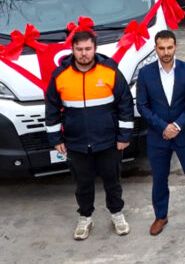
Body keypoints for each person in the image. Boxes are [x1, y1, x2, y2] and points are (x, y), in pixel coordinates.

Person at [45, 30, 134, 240]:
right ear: (72, 50)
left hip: (109, 142)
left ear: (95, 49)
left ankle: (117, 214)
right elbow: (51, 108)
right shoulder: (60, 76)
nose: (84, 54)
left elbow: (125, 104)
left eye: (87, 49)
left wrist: (124, 136)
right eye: (79, 49)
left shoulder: (110, 71)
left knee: (112, 181)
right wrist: (55, 139)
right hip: (76, 144)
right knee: (82, 184)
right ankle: (85, 217)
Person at [135, 30, 185, 235]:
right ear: (155, 49)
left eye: (169, 47)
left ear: (175, 46)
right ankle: (160, 216)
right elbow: (142, 106)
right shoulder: (145, 73)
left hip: (184, 135)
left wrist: (177, 125)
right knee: (159, 178)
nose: (166, 52)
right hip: (157, 137)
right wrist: (163, 127)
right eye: (161, 48)